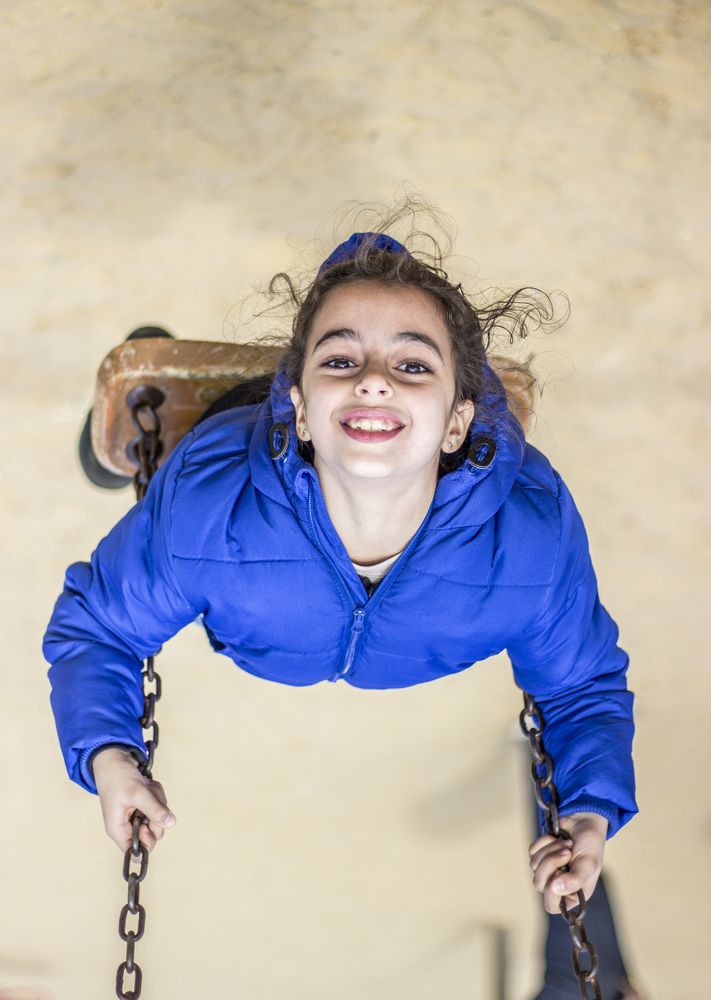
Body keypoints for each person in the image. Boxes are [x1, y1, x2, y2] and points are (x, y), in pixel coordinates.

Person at [42, 225, 637, 991]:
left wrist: (586, 810)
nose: (375, 381)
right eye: (340, 360)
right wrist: (110, 754)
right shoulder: (205, 513)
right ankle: (193, 411)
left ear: (460, 418)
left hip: (302, 609)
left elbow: (580, 685)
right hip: (245, 501)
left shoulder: (525, 537)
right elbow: (99, 627)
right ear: (299, 400)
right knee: (186, 459)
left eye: (412, 363)